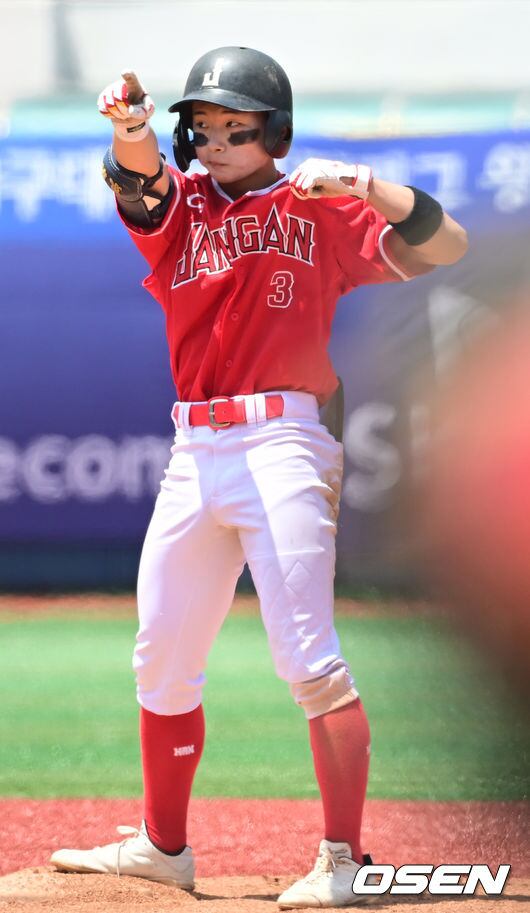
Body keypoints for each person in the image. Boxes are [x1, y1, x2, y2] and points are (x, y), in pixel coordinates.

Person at [50, 47, 467, 908]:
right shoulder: (183, 209)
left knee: (309, 659)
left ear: (274, 131)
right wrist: (131, 127)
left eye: (234, 126)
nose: (214, 140)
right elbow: (140, 179)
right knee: (162, 655)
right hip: (193, 449)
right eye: (202, 126)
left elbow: (447, 243)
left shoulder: (318, 209)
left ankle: (345, 858)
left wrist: (362, 184)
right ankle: (164, 847)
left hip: (283, 441)